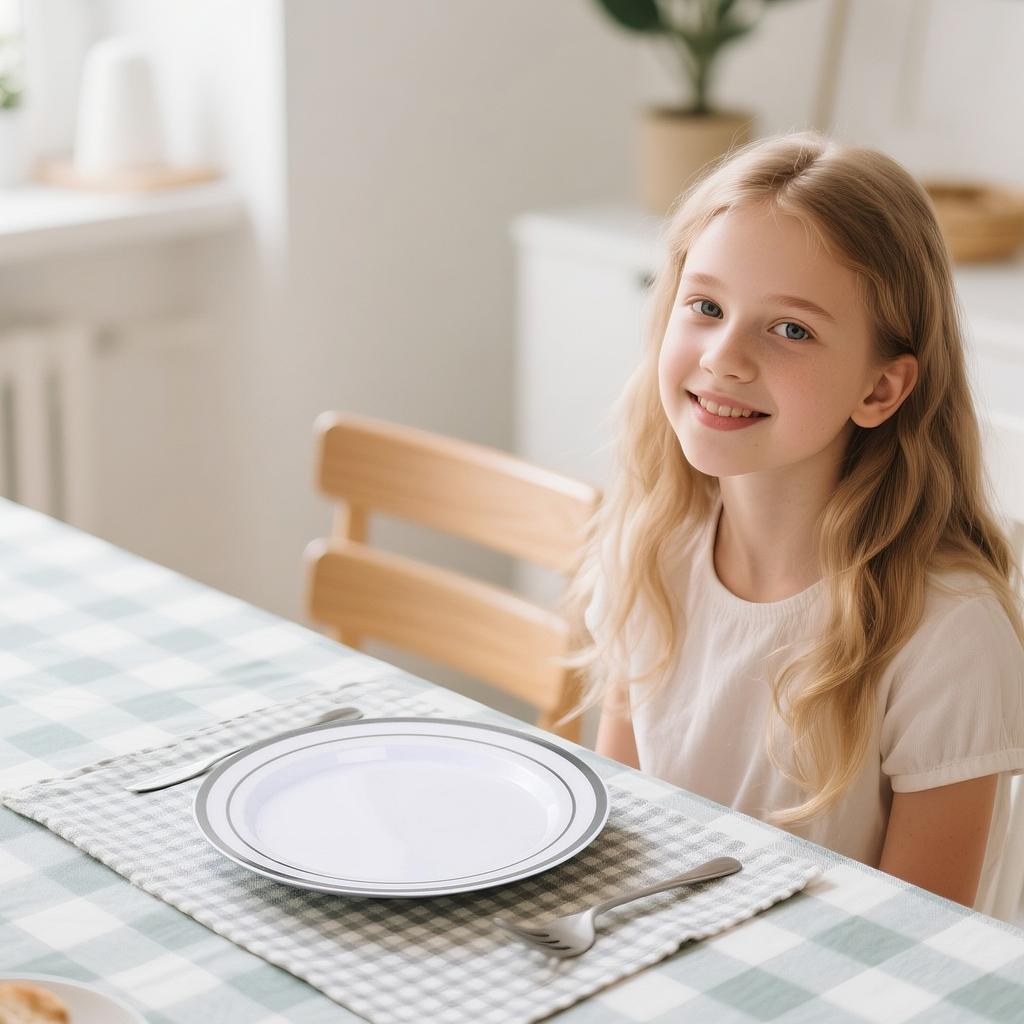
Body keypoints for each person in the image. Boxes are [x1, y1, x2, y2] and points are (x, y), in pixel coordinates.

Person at [561, 129, 1024, 918]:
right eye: (705, 306)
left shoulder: (946, 634)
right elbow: (621, 833)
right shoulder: (650, 547)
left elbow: (919, 952)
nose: (725, 357)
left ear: (881, 389)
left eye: (792, 329)